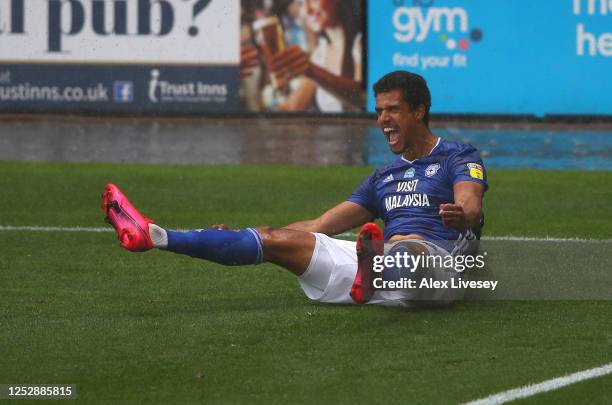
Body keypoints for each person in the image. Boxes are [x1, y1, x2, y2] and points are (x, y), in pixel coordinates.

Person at [102, 71, 487, 307]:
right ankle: (156, 236)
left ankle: (377, 269)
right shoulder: (382, 177)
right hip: (371, 276)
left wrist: (461, 214)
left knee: (410, 242)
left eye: (392, 110)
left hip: (439, 272)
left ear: (419, 111)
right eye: (378, 111)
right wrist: (245, 234)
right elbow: (322, 224)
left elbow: (469, 204)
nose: (382, 120)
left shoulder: (457, 155)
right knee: (274, 239)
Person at [242, 0, 364, 112]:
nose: (306, 10)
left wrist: (312, 71)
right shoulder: (321, 52)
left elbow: (363, 98)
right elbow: (292, 106)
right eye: (300, 2)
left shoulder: (363, 44)